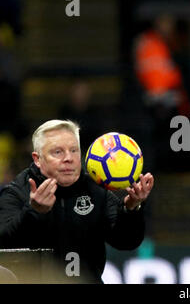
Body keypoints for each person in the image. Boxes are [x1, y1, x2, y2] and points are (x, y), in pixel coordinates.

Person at [0, 120, 154, 283]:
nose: (69, 158)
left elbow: (126, 242)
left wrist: (131, 209)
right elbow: (4, 243)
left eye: (74, 150)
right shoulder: (17, 191)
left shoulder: (96, 190)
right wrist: (34, 211)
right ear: (38, 159)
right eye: (58, 152)